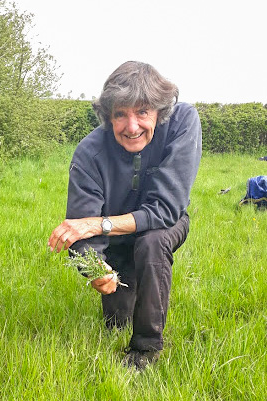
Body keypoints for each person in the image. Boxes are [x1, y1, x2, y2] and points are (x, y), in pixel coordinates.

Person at [48, 61, 202, 370]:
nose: (132, 127)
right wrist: (95, 269)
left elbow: (165, 209)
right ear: (109, 117)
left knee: (152, 242)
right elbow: (79, 230)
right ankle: (123, 287)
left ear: (160, 111)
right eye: (120, 114)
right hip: (115, 243)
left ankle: (146, 349)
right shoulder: (89, 152)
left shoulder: (183, 120)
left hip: (164, 224)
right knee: (116, 323)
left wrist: (99, 224)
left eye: (142, 112)